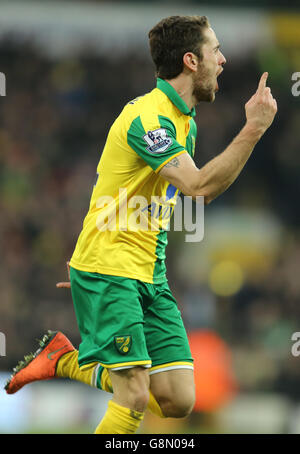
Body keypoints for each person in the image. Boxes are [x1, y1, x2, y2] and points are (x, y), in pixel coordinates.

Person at [5, 15, 277, 434]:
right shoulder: (150, 118)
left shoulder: (183, 120)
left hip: (147, 272)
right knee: (132, 396)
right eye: (215, 51)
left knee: (179, 400)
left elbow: (149, 199)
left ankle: (65, 360)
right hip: (112, 268)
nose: (223, 60)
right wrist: (254, 128)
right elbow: (199, 188)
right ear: (190, 60)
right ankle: (68, 360)